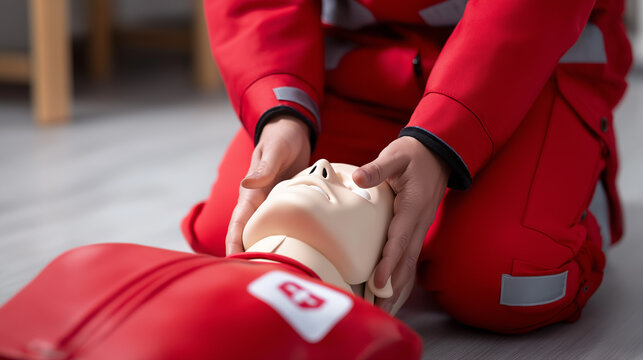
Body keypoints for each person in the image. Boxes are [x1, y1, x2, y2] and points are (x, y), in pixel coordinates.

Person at [183, 0, 632, 333]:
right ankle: (433, 222)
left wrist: (445, 138)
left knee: (506, 281)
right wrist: (282, 113)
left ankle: (575, 198)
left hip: (525, 69)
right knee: (230, 235)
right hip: (363, 63)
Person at [0, 162, 421, 359]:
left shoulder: (371, 337)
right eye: (304, 171)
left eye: (361, 190)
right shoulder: (91, 257)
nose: (322, 168)